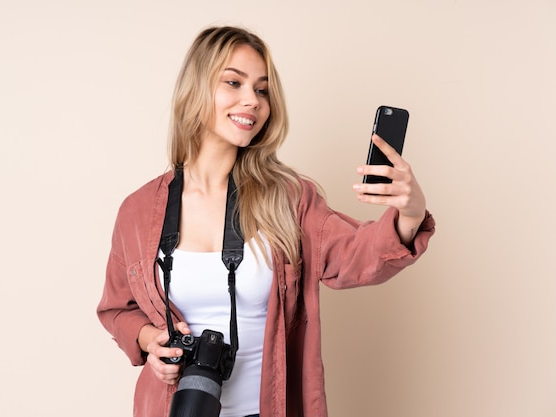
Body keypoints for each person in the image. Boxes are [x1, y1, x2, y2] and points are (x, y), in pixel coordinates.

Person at [97, 25, 435, 417]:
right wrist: (149, 339)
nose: (252, 101)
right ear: (196, 89)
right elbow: (117, 309)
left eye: (261, 90)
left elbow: (358, 258)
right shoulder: (138, 211)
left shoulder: (289, 198)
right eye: (233, 83)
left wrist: (410, 212)